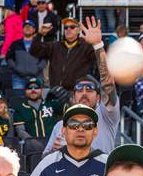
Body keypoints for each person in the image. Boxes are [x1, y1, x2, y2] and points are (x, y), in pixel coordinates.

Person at [42, 18, 120, 154]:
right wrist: (53, 151)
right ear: (73, 97)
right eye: (79, 89)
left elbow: (108, 84)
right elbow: (44, 158)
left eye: (90, 89)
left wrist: (98, 46)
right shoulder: (61, 126)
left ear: (98, 98)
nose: (84, 92)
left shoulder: (106, 117)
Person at [30, 17, 96, 90]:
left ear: (78, 30)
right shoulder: (55, 46)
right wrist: (40, 34)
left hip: (77, 92)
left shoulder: (86, 47)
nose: (68, 29)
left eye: (72, 27)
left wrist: (96, 43)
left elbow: (101, 60)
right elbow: (34, 51)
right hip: (56, 91)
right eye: (66, 27)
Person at [6, 20, 46, 90]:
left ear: (34, 29)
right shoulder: (15, 44)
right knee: (18, 99)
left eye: (30, 27)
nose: (27, 28)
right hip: (18, 78)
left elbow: (44, 59)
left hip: (36, 77)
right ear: (22, 29)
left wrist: (37, 69)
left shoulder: (40, 44)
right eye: (25, 27)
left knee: (37, 99)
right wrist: (16, 69)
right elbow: (9, 59)